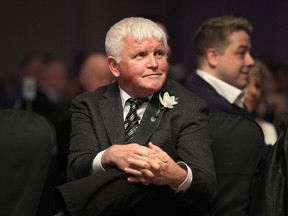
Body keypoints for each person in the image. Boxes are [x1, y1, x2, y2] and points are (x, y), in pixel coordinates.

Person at [55, 17, 217, 216]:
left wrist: (176, 176)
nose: (154, 64)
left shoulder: (189, 107)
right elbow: (76, 170)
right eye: (141, 55)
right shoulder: (88, 104)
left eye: (159, 54)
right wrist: (108, 156)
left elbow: (206, 189)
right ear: (114, 66)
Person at [184, 16, 268, 215]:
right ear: (213, 57)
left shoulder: (224, 99)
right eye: (241, 53)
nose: (251, 61)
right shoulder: (200, 105)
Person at [244, 60, 278, 146]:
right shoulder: (225, 123)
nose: (253, 91)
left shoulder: (268, 129)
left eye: (258, 85)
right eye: (247, 83)